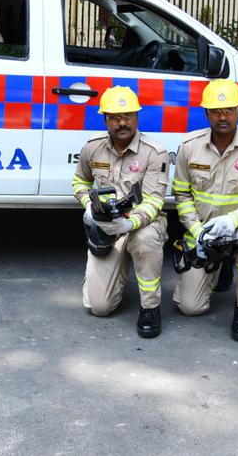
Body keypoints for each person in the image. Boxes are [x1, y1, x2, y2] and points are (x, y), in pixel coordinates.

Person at [172, 80, 238, 342]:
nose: (223, 116)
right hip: (204, 232)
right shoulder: (189, 147)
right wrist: (197, 231)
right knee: (190, 307)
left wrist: (235, 220)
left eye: (229, 110)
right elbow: (182, 195)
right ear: (206, 113)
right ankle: (221, 265)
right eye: (216, 111)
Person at [72, 86, 169, 338]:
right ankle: (111, 272)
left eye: (128, 116)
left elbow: (154, 201)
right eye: (115, 117)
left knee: (145, 239)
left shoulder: (154, 153)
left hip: (142, 224)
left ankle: (150, 307)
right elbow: (80, 182)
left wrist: (129, 224)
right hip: (106, 227)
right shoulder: (92, 149)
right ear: (105, 119)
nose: (122, 122)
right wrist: (89, 207)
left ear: (137, 116)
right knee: (100, 307)